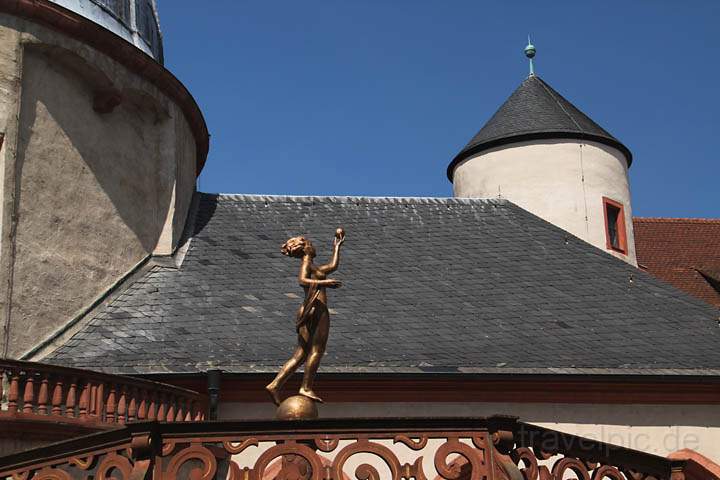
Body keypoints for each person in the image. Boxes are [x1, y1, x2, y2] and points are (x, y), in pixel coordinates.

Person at [265, 228, 345, 405]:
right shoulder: (307, 261)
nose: (312, 246)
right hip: (316, 309)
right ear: (304, 248)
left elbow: (331, 267)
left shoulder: (313, 265)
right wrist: (325, 283)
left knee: (301, 353)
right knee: (317, 350)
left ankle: (275, 384)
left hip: (310, 309)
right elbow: (302, 280)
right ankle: (306, 387)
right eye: (309, 244)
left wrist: (337, 246)